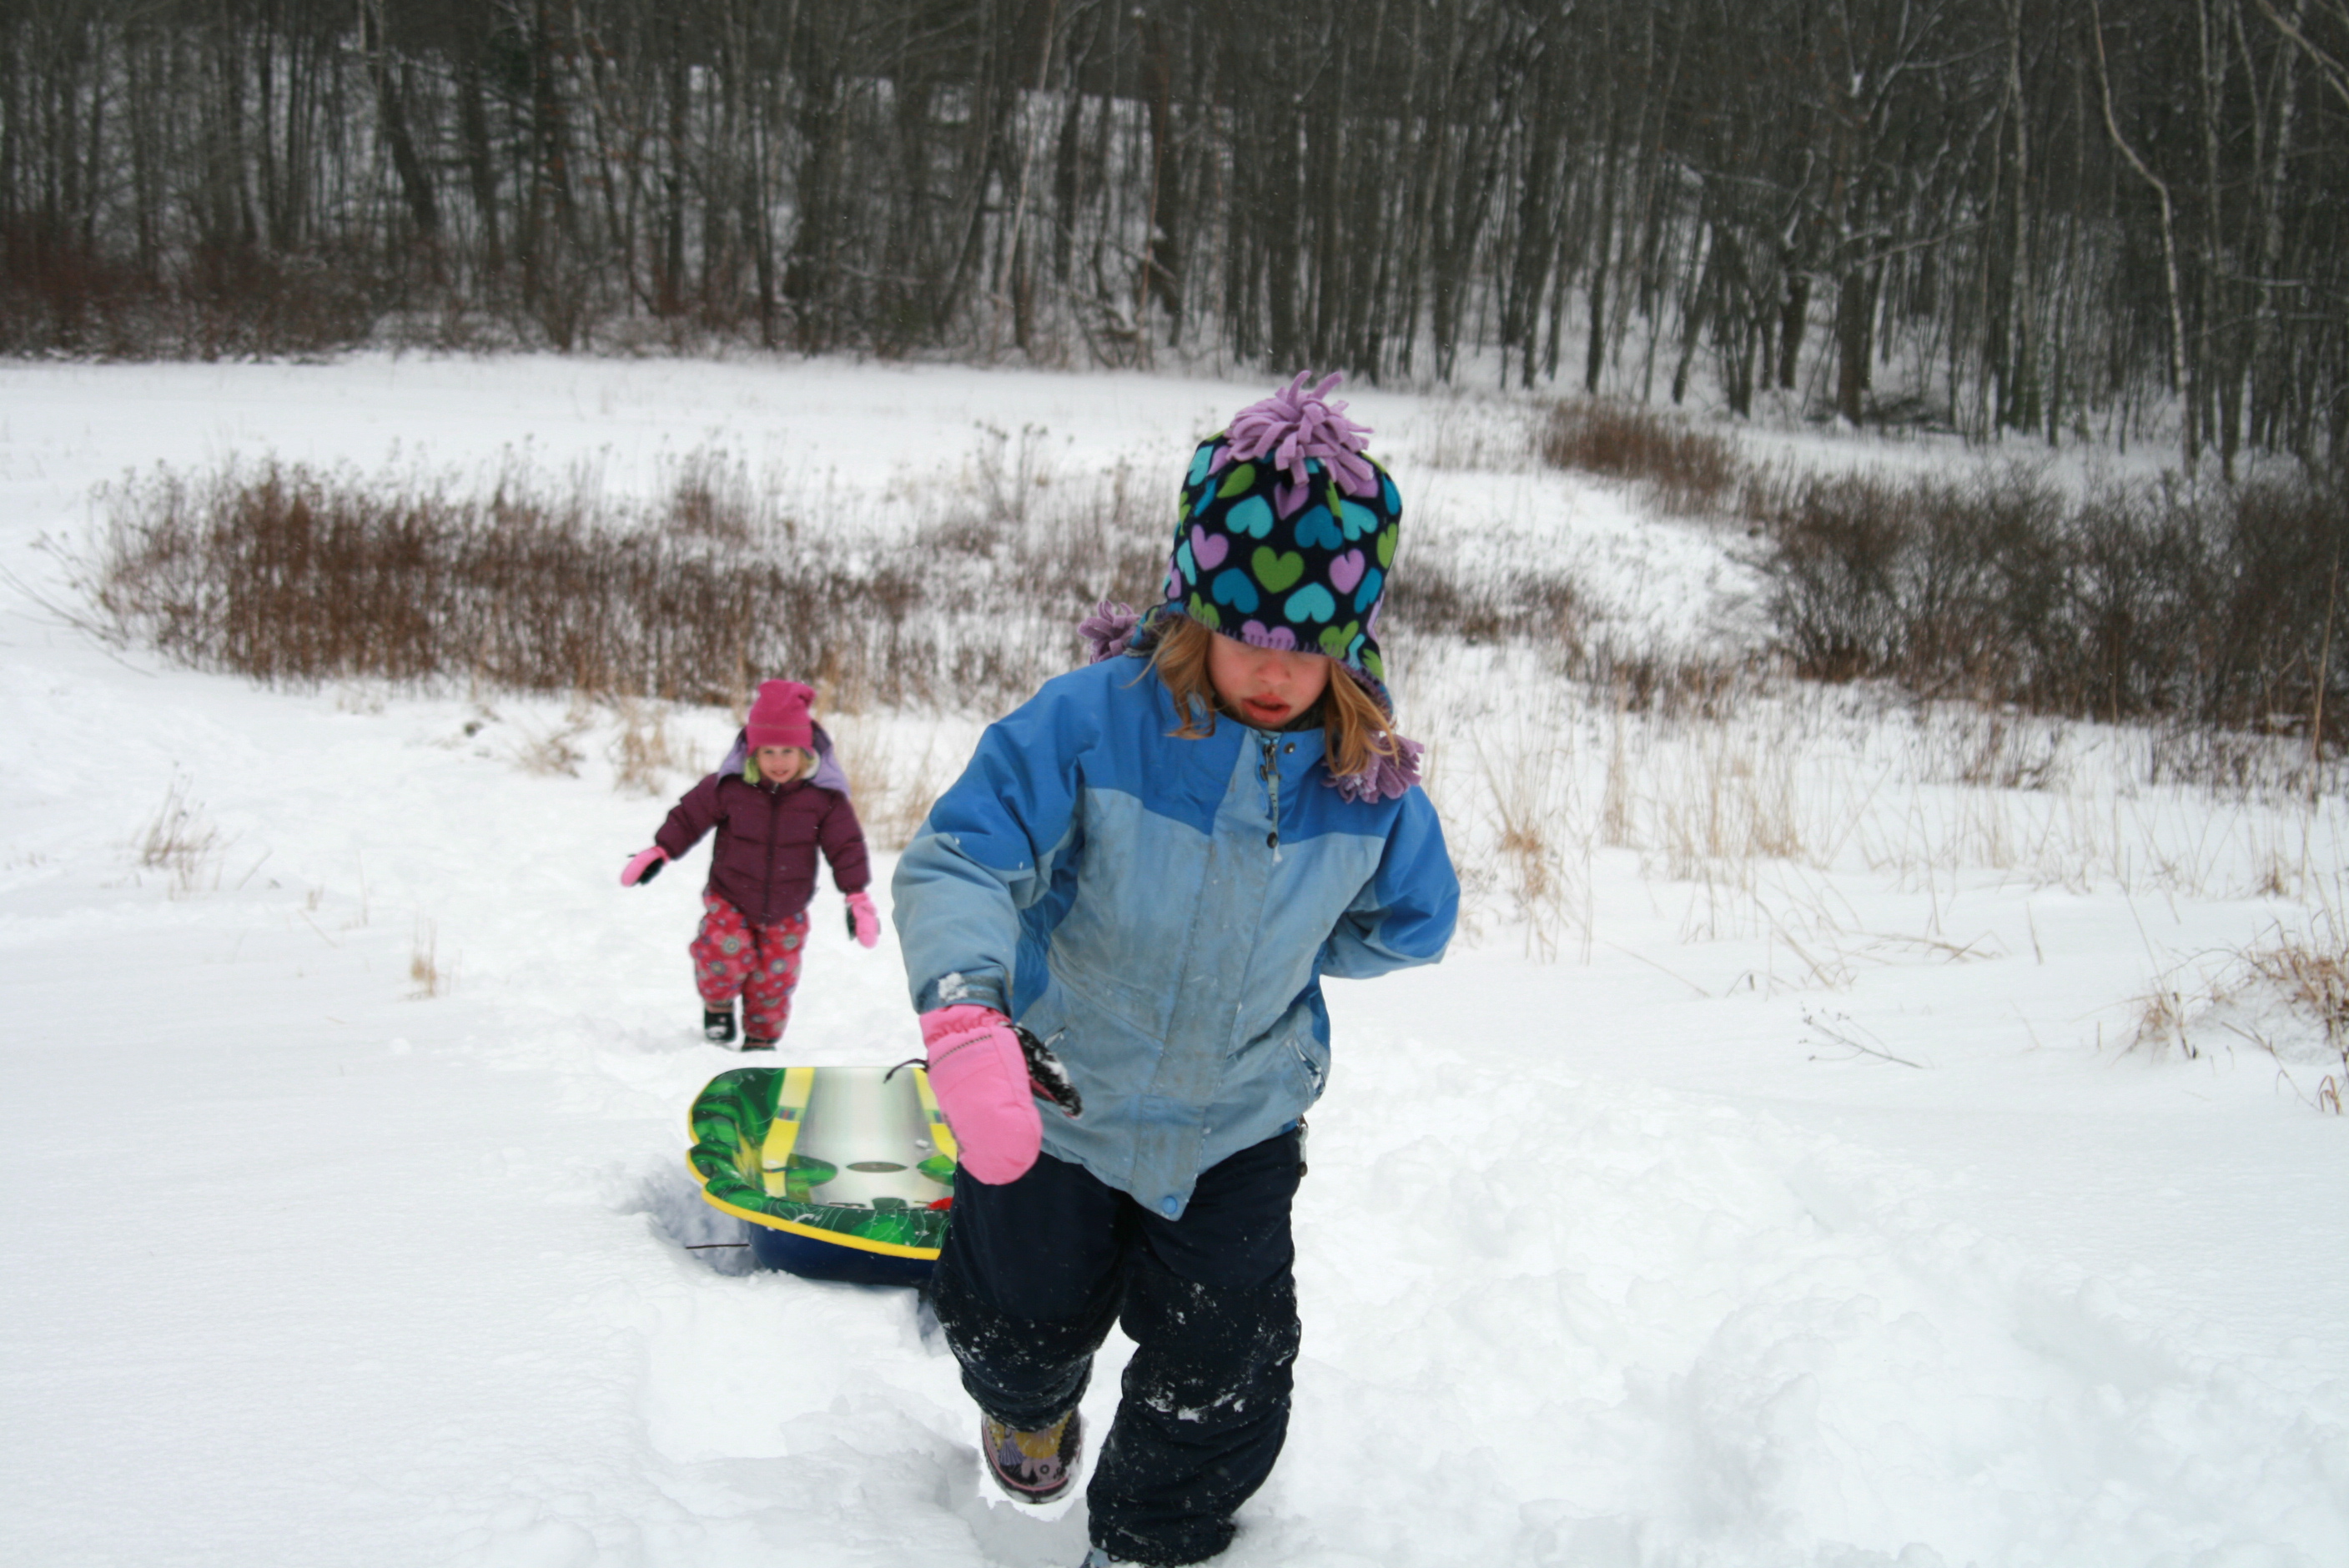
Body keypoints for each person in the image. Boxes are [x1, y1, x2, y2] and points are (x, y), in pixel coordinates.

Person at [892, 373, 1459, 1567]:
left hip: (1234, 1124)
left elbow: (1413, 921)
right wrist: (967, 1011)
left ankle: (1151, 1540)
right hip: (1057, 1102)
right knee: (1016, 1324)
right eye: (1245, 636)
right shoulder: (1093, 722)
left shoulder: (1363, 780)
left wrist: (1293, 950)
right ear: (1195, 608)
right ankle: (1029, 1408)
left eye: (1307, 648)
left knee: (1225, 1363)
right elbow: (963, 858)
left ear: (1351, 643)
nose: (1273, 671)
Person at [621, 679, 878, 1049]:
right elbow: (688, 818)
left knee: (775, 978)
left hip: (788, 907)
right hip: (730, 896)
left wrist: (856, 896)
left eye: (788, 751)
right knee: (722, 952)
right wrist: (661, 851)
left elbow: (846, 845)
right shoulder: (729, 788)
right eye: (768, 751)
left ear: (806, 753)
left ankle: (761, 1041)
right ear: (752, 752)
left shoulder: (823, 800)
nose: (778, 761)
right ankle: (718, 1004)